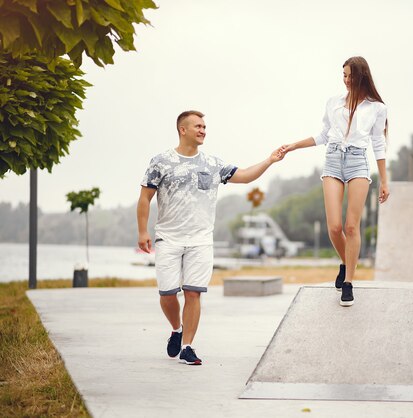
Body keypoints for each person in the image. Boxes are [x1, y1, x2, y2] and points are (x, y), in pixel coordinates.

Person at [137, 110, 284, 365]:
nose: (203, 130)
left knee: (193, 293)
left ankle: (188, 347)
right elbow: (144, 198)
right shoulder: (161, 161)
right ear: (183, 130)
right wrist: (142, 231)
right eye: (198, 126)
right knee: (167, 294)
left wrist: (270, 160)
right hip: (168, 237)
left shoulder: (213, 164)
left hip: (200, 239)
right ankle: (176, 328)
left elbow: (246, 175)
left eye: (205, 126)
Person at [280, 56, 390, 307]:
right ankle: (345, 261)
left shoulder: (376, 108)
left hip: (358, 162)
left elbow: (378, 144)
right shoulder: (333, 103)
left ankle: (348, 282)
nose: (347, 80)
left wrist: (384, 180)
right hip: (332, 160)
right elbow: (323, 135)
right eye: (344, 75)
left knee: (352, 227)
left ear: (362, 76)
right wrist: (294, 146)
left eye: (350, 75)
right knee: (334, 227)